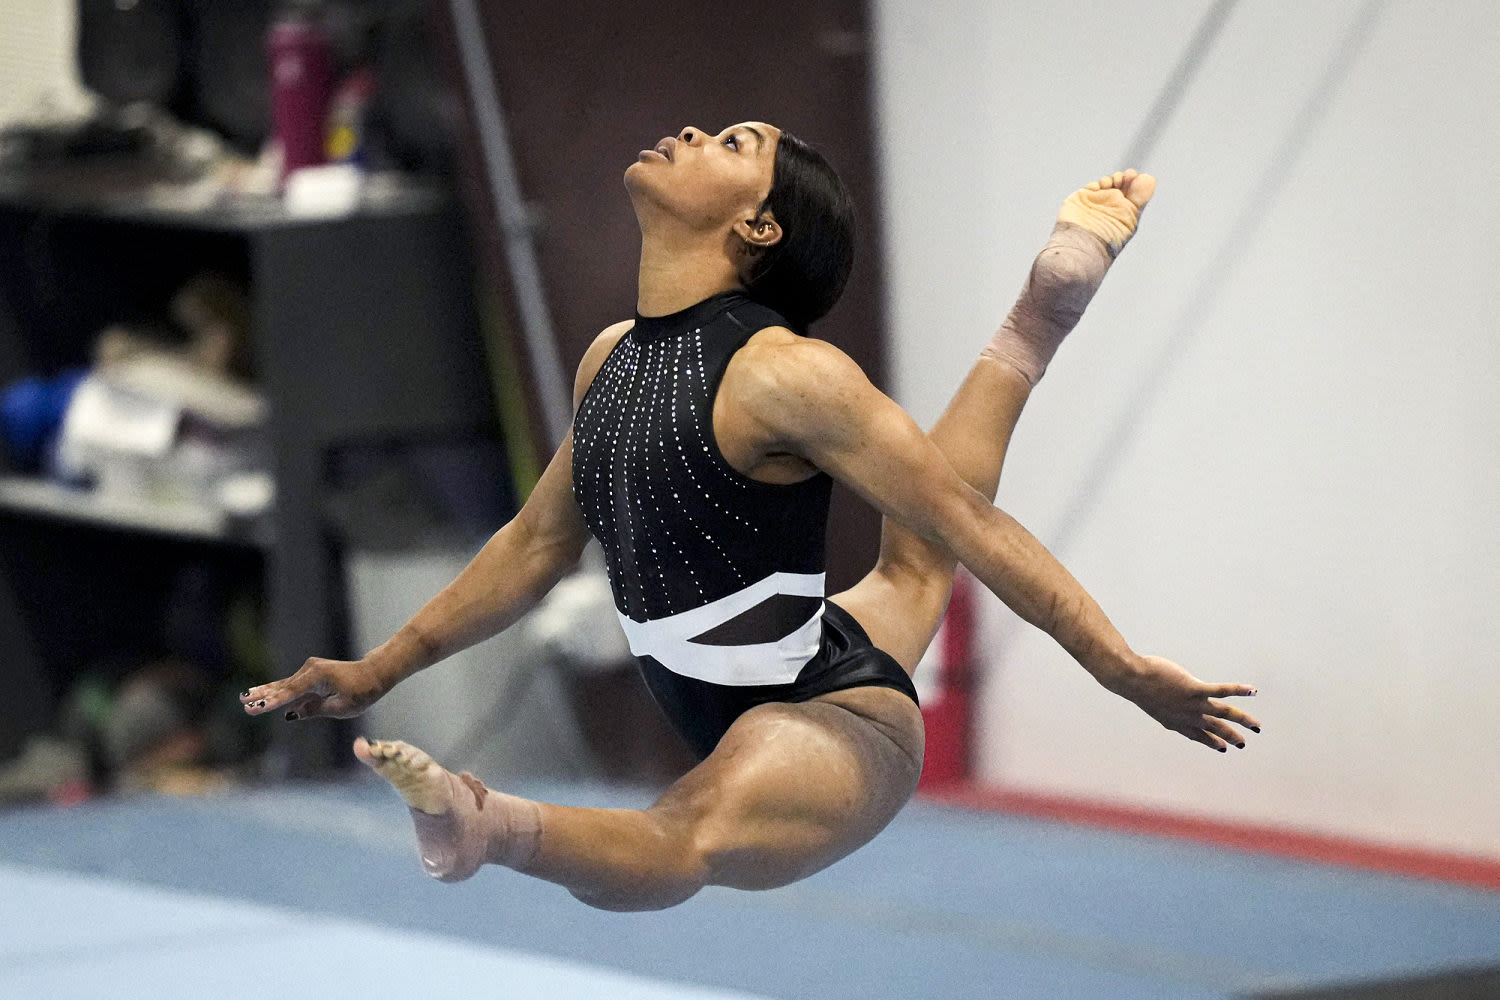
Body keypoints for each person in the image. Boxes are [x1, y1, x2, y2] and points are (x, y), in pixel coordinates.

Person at [242, 122, 1261, 911]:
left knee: (689, 831)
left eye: (732, 145)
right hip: (799, 645)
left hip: (832, 718)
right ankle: (1045, 303)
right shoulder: (612, 357)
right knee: (909, 571)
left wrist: (1123, 669)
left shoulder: (786, 375)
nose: (690, 135)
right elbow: (535, 545)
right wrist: (379, 668)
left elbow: (973, 527)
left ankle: (487, 828)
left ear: (758, 227)